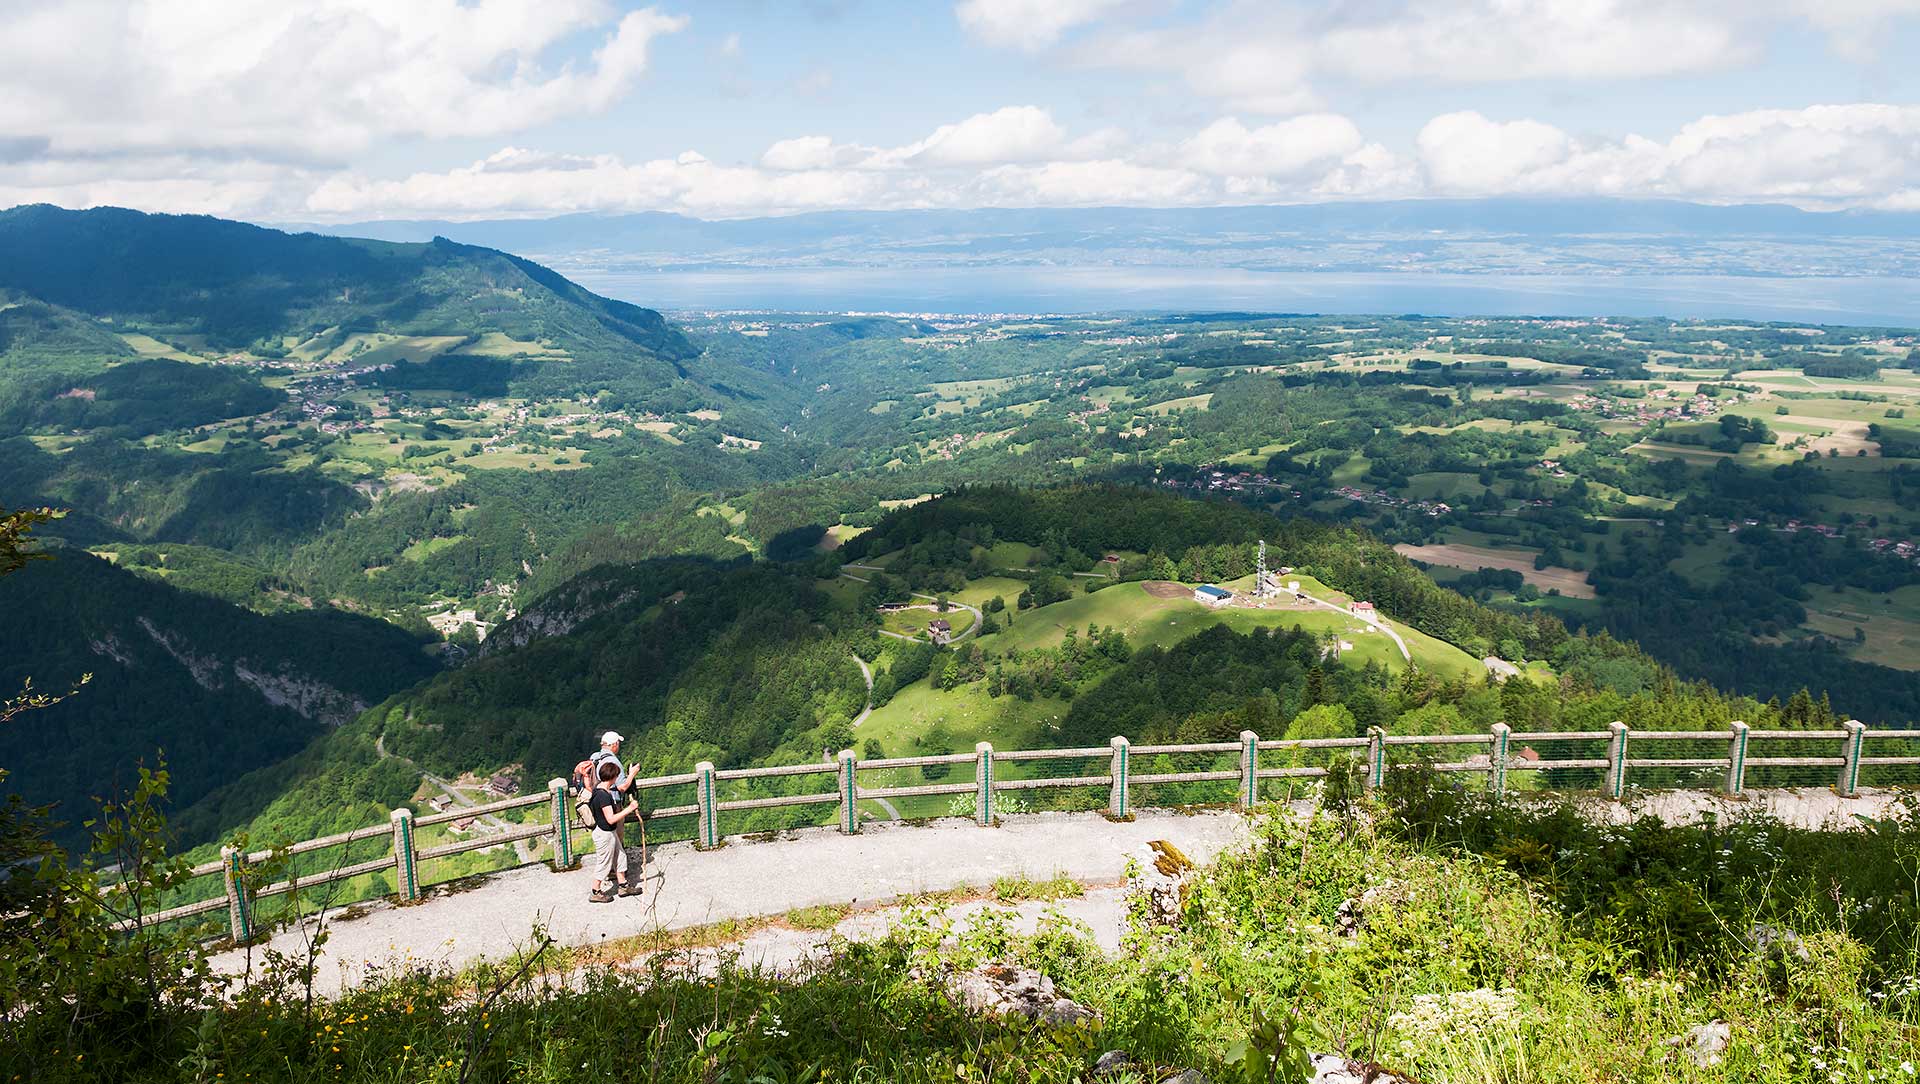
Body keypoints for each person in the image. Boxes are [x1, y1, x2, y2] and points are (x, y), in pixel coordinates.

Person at [585, 760, 642, 902]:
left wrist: (631, 775)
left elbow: (620, 790)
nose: (617, 779)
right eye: (616, 776)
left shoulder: (600, 789)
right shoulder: (603, 796)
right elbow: (610, 819)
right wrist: (629, 809)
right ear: (613, 777)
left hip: (608, 832)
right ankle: (595, 891)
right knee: (604, 863)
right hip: (605, 834)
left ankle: (623, 886)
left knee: (621, 857)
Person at [590, 731, 632, 795]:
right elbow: (622, 787)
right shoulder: (613, 761)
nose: (618, 746)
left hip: (596, 797)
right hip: (611, 799)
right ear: (614, 744)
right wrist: (632, 773)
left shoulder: (594, 757)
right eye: (618, 743)